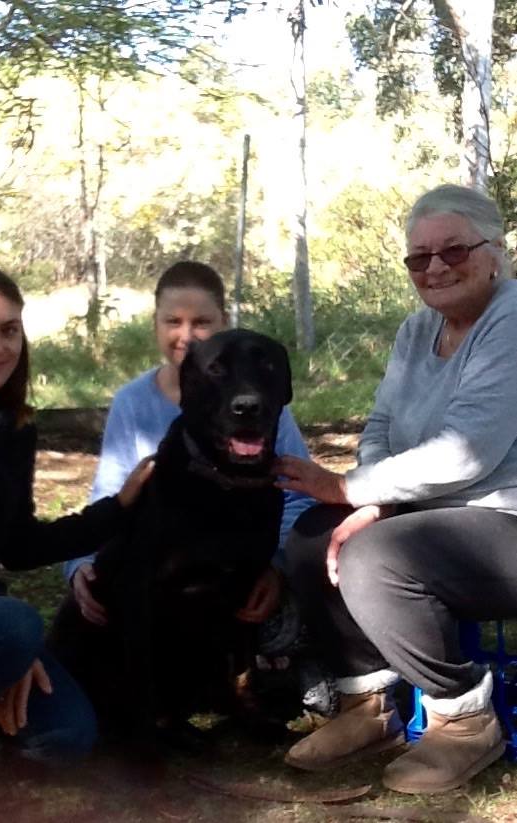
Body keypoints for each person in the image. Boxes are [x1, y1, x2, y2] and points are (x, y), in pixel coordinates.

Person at [274, 183, 517, 794]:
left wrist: (350, 488)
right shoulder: (416, 331)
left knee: (376, 556)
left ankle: (463, 718)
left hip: (504, 520)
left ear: (495, 251)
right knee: (312, 535)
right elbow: (381, 425)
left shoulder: (511, 322)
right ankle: (369, 705)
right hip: (435, 515)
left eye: (454, 250)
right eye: (418, 257)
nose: (435, 268)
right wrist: (372, 499)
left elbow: (467, 451)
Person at [0, 262, 153, 823]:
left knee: (65, 738)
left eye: (8, 330)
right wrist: (7, 644)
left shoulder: (11, 426)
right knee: (15, 624)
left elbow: (17, 545)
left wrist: (119, 508)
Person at [64, 260, 314, 628]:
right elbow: (110, 494)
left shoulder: (257, 404)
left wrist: (275, 564)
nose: (187, 335)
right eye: (173, 321)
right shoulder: (132, 401)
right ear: (155, 324)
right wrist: (80, 563)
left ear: (223, 322)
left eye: (201, 322)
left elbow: (299, 494)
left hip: (239, 565)